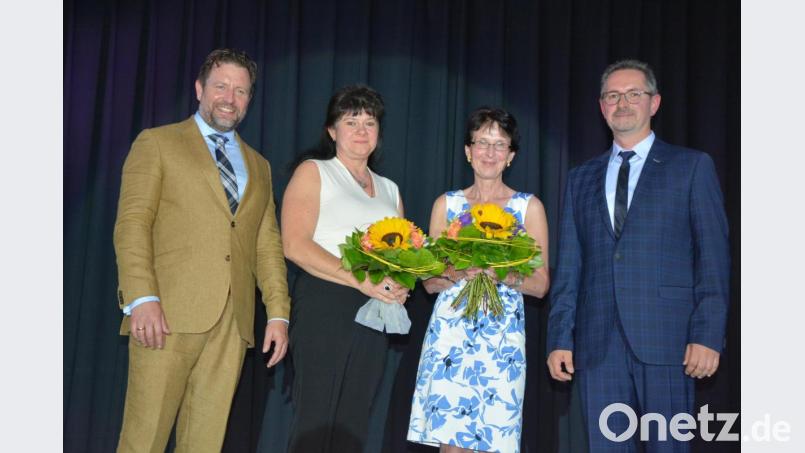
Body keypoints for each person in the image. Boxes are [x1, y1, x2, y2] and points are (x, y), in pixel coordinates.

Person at [546, 59, 730, 453]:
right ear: (601, 107)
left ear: (655, 102)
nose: (622, 103)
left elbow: (713, 258)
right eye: (613, 95)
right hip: (597, 347)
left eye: (634, 94)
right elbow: (571, 265)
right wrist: (561, 337)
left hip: (669, 342)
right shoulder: (581, 177)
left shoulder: (691, 167)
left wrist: (707, 334)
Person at [113, 48, 290, 453]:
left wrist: (278, 313)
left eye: (241, 91)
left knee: (205, 443)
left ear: (250, 99)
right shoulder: (157, 143)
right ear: (199, 89)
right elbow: (132, 224)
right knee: (144, 438)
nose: (230, 98)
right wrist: (142, 297)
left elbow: (268, 247)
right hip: (165, 315)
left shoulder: (259, 166)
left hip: (232, 325)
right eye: (221, 86)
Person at [407, 107, 550, 453]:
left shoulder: (528, 208)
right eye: (482, 143)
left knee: (492, 441)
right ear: (468, 151)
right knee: (452, 446)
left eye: (499, 145)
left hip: (501, 343)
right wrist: (458, 271)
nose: (490, 153)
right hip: (451, 336)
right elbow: (430, 282)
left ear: (511, 156)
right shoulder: (447, 204)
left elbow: (540, 283)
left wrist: (497, 270)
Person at [281, 84, 409, 452]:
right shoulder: (315, 172)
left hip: (374, 311)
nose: (361, 130)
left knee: (354, 423)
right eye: (351, 122)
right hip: (325, 302)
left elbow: (401, 257)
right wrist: (363, 279)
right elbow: (295, 244)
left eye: (370, 123)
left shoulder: (389, 189)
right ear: (332, 131)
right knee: (315, 421)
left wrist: (399, 285)